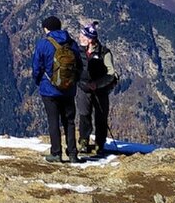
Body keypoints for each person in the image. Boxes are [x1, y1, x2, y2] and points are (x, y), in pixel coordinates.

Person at [32, 15, 82, 163]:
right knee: (69, 121)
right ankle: (73, 153)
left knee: (53, 121)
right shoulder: (71, 43)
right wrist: (73, 81)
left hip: (49, 89)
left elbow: (36, 67)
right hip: (69, 89)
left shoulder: (43, 44)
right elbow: (79, 65)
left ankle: (56, 153)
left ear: (46, 28)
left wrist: (38, 81)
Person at [76, 23, 118, 156]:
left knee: (100, 117)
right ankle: (84, 141)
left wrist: (98, 84)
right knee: (84, 115)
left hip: (100, 90)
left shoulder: (104, 53)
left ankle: (100, 143)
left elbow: (111, 73)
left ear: (90, 39)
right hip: (83, 88)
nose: (80, 37)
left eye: (83, 35)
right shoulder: (78, 51)